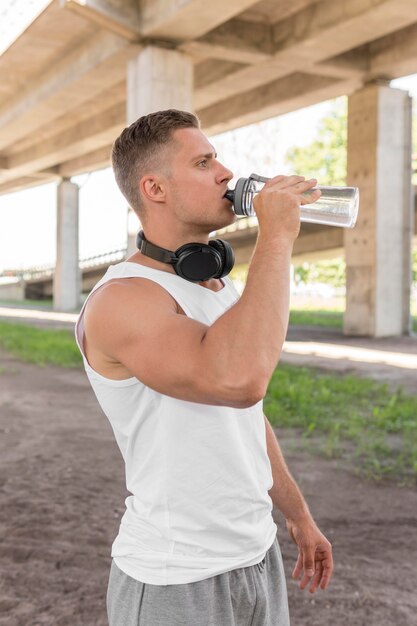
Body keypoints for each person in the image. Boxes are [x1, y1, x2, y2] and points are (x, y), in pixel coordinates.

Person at [74, 109, 333, 625]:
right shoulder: (122, 301)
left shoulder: (215, 286)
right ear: (155, 188)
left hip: (257, 559)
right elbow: (237, 382)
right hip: (176, 577)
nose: (226, 173)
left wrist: (298, 517)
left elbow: (246, 418)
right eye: (203, 161)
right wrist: (276, 238)